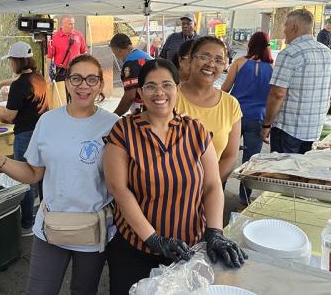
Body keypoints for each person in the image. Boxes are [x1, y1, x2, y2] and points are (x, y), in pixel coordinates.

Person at [0, 55, 118, 295]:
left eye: (91, 79)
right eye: (76, 78)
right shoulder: (48, 120)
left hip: (94, 230)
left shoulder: (113, 125)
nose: (83, 85)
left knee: (84, 290)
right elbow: (33, 174)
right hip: (50, 227)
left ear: (100, 85)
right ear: (67, 82)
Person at [103, 59, 246, 295]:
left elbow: (211, 185)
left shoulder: (195, 130)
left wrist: (215, 232)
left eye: (167, 85)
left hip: (188, 251)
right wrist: (153, 238)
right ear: (140, 92)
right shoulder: (124, 130)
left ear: (178, 89)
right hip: (136, 250)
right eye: (150, 86)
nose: (159, 93)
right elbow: (118, 189)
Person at [0, 41, 47, 235]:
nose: (10, 65)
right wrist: (2, 83)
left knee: (23, 176)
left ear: (16, 61)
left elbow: (9, 115)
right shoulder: (38, 77)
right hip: (41, 132)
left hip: (25, 135)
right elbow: (20, 82)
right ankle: (44, 216)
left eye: (11, 61)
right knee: (41, 176)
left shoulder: (19, 85)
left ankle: (26, 224)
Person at [261, 9, 331, 154]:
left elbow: (277, 94)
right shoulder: (328, 53)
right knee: (302, 173)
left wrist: (266, 124)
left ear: (294, 27)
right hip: (315, 127)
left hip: (288, 128)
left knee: (283, 173)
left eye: (285, 26)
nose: (284, 31)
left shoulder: (290, 53)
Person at [175, 36, 242, 183]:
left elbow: (230, 156)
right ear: (191, 60)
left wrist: (208, 188)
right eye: (204, 56)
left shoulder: (231, 104)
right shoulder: (169, 98)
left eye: (219, 60)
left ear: (225, 66)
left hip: (210, 192)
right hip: (170, 191)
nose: (211, 64)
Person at [221, 32, 274, 204]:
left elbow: (225, 89)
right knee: (250, 161)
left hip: (235, 115)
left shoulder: (239, 63)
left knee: (227, 155)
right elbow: (274, 96)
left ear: (250, 44)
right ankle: (245, 199)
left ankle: (218, 192)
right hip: (258, 117)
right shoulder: (272, 68)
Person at [109, 33, 153, 116]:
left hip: (145, 109)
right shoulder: (143, 56)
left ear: (118, 50)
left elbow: (130, 96)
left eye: (114, 53)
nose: (116, 56)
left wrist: (114, 116)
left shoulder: (131, 63)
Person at [47, 15, 87, 81]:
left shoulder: (79, 35)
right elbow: (49, 57)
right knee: (62, 91)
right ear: (62, 24)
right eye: (70, 24)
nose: (73, 26)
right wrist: (48, 74)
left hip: (77, 70)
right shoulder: (54, 37)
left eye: (73, 24)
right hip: (61, 72)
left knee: (76, 90)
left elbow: (84, 53)